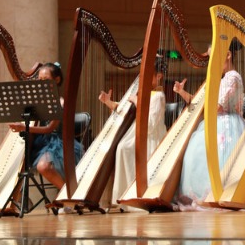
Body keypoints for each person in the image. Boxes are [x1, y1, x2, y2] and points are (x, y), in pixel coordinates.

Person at [176, 38, 245, 206]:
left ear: (227, 55)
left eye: (212, 58)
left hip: (227, 125)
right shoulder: (223, 78)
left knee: (209, 152)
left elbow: (217, 107)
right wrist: (182, 93)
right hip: (216, 122)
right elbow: (201, 104)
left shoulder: (233, 78)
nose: (211, 63)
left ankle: (218, 193)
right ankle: (206, 195)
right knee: (195, 152)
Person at [99, 56, 167, 210]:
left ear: (159, 76)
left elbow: (150, 125)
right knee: (122, 147)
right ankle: (126, 196)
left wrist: (137, 102)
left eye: (148, 74)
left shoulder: (159, 96)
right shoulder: (145, 94)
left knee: (124, 148)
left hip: (150, 136)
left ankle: (135, 196)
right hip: (137, 132)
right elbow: (123, 110)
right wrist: (108, 102)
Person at [9, 62, 83, 190]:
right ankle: (19, 198)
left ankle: (68, 194)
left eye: (45, 80)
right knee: (14, 165)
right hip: (41, 143)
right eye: (39, 79)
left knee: (43, 166)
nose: (41, 83)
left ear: (57, 80)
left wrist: (24, 128)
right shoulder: (38, 102)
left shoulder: (61, 103)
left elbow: (50, 128)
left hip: (58, 143)